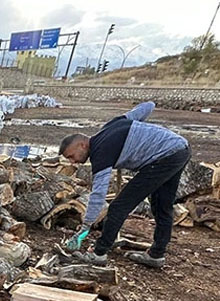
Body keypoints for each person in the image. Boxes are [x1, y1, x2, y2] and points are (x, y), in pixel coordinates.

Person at [59, 101, 191, 268]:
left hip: (163, 158)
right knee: (162, 205)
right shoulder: (112, 125)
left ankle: (99, 253)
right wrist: (138, 135)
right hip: (180, 148)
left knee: (118, 207)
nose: (73, 162)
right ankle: (156, 255)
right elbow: (148, 106)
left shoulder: (101, 153)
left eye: (72, 156)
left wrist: (86, 224)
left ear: (82, 144)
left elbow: (98, 194)